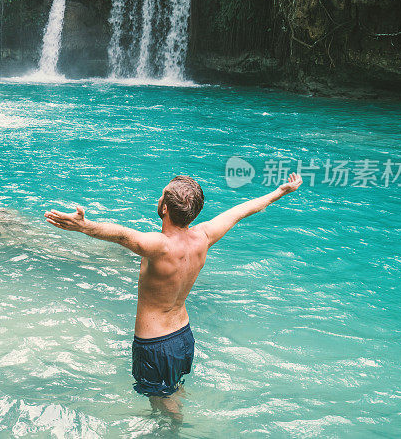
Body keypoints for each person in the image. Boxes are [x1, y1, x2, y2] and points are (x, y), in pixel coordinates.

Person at [44, 172, 303, 419]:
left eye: (162, 195)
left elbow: (121, 235)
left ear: (166, 209)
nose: (159, 198)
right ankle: (175, 414)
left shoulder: (159, 246)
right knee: (172, 391)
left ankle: (175, 426)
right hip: (183, 337)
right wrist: (280, 191)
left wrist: (84, 226)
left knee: (163, 404)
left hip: (155, 345)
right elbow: (242, 211)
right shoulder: (204, 236)